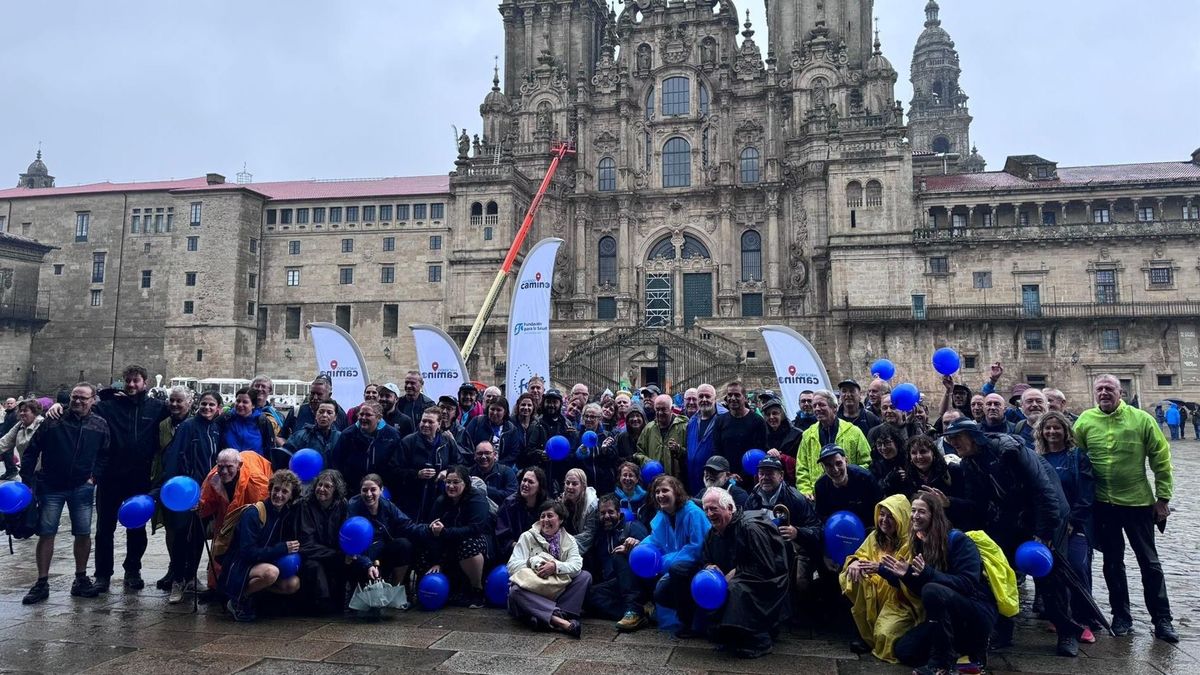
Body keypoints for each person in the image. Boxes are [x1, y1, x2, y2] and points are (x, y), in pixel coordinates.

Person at [942, 418, 1085, 656]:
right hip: (1011, 519)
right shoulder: (969, 463)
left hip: (1047, 515)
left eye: (958, 437)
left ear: (973, 435)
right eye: (950, 438)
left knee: (1051, 577)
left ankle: (1066, 632)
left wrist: (1044, 533)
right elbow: (978, 504)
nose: (953, 442)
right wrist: (950, 503)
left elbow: (1044, 490)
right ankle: (1003, 631)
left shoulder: (1010, 450)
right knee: (1001, 573)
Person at [1073, 374, 1176, 642]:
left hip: (1138, 503)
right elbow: (1078, 460)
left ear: (1121, 392)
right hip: (1103, 505)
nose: (1104, 393)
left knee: (1150, 563)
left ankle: (1162, 619)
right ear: (1094, 393)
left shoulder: (1141, 420)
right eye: (1100, 389)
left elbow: (1160, 458)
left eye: (1110, 388)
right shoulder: (1085, 422)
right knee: (1112, 563)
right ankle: (1121, 616)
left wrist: (1163, 498)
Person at [20, 383, 110, 604]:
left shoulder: (99, 424)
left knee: (82, 532)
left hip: (82, 486)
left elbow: (105, 454)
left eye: (83, 398)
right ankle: (42, 582)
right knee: (47, 532)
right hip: (51, 485)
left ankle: (80, 578)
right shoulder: (54, 420)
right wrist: (27, 480)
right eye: (74, 397)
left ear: (93, 400)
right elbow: (32, 451)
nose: (78, 401)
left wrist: (94, 477)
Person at [889, 492, 997, 674]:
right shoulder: (920, 542)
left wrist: (928, 573)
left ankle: (941, 662)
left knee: (932, 590)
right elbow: (923, 591)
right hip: (945, 616)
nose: (915, 516)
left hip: (976, 611)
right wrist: (907, 575)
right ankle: (958, 648)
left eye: (921, 512)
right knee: (904, 651)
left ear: (934, 514)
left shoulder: (960, 541)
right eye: (913, 511)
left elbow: (968, 584)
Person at [614, 475, 711, 638]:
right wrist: (635, 549)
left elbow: (696, 548)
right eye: (657, 492)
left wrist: (661, 562)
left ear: (676, 492)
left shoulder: (693, 513)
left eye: (665, 490)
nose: (660, 495)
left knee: (670, 578)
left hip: (692, 569)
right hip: (668, 568)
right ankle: (636, 609)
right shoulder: (662, 516)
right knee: (621, 557)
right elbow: (654, 540)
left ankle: (688, 623)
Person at [700, 487, 790, 659]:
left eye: (714, 509)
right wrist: (709, 566)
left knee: (735, 588)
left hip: (768, 581)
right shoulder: (712, 533)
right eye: (706, 510)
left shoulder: (750, 527)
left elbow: (767, 566)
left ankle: (760, 640)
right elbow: (705, 558)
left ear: (730, 508)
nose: (710, 514)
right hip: (736, 577)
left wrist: (736, 572)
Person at [1035, 410, 1096, 643]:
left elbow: (1086, 493)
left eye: (1056, 427)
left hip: (1074, 525)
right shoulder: (1037, 458)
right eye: (1047, 428)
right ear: (1041, 432)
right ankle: (1061, 617)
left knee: (1077, 568)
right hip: (1048, 526)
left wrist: (1073, 522)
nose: (1052, 432)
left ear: (1066, 430)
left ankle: (1084, 619)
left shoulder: (1077, 457)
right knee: (1052, 573)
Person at [160, 390, 224, 603]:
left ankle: (190, 577)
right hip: (187, 490)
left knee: (197, 536)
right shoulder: (188, 426)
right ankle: (177, 579)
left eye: (211, 405)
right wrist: (173, 487)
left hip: (208, 492)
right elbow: (174, 456)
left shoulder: (216, 428)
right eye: (204, 404)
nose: (207, 408)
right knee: (181, 534)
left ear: (218, 409)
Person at [840, 494, 919, 663]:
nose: (884, 520)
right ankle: (862, 634)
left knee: (885, 636)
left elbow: (909, 582)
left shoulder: (911, 544)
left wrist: (881, 569)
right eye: (882, 514)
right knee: (850, 575)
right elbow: (860, 554)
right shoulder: (875, 536)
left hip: (899, 601)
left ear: (902, 517)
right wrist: (854, 562)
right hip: (874, 594)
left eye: (891, 516)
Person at [220, 470, 303, 621]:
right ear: (270, 489)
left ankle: (255, 596)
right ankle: (237, 600)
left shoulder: (286, 514)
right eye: (276, 489)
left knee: (293, 584)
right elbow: (247, 553)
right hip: (240, 565)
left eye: (285, 491)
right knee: (271, 573)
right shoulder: (254, 513)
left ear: (291, 496)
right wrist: (282, 548)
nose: (279, 495)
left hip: (264, 561)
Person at [506, 500, 591, 638]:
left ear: (561, 519)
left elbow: (576, 566)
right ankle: (561, 621)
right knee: (515, 592)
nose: (545, 520)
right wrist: (533, 563)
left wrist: (555, 566)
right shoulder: (527, 537)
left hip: (556, 589)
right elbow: (512, 566)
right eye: (542, 516)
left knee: (584, 576)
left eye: (550, 516)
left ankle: (543, 617)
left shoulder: (569, 540)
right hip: (533, 589)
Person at [744, 456, 823, 600]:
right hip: (765, 549)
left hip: (796, 550)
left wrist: (797, 532)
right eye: (762, 473)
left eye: (770, 473)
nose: (765, 478)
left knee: (801, 584)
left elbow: (817, 529)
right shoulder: (752, 498)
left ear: (781, 476)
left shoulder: (795, 498)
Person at [347, 474, 426, 611]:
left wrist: (429, 529)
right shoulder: (353, 508)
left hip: (382, 552)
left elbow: (407, 525)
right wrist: (367, 564)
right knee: (366, 602)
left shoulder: (387, 505)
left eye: (373, 490)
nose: (369, 494)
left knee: (404, 545)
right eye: (364, 490)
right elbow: (351, 544)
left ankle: (395, 591)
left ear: (381, 490)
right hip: (360, 555)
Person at [199, 448, 273, 590]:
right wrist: (199, 508)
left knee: (246, 542)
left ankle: (243, 583)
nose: (224, 471)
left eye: (229, 467)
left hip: (251, 507)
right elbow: (206, 502)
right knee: (220, 542)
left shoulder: (256, 481)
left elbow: (264, 508)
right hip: (226, 509)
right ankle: (216, 586)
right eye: (221, 467)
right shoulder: (213, 477)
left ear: (239, 466)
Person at [425, 465, 492, 607]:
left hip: (479, 541)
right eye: (448, 482)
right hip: (449, 542)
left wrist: (445, 532)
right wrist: (436, 561)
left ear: (465, 483)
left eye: (456, 482)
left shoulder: (477, 499)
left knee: (468, 546)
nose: (451, 486)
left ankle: (477, 590)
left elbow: (475, 529)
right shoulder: (441, 501)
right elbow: (432, 530)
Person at [584, 493, 650, 628]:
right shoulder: (600, 536)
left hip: (635, 582)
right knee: (587, 596)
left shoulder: (632, 527)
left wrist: (636, 546)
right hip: (613, 585)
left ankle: (634, 609)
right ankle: (638, 612)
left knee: (619, 554)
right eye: (602, 513)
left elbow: (650, 553)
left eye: (610, 512)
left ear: (619, 512)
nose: (606, 516)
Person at [294, 469, 350, 614]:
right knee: (315, 566)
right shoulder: (305, 504)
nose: (321, 489)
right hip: (311, 554)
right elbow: (306, 542)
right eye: (319, 485)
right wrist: (335, 554)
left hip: (333, 552)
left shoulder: (342, 505)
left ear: (335, 489)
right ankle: (323, 604)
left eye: (327, 486)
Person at [796, 390, 871, 496]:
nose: (817, 408)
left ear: (834, 408)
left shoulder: (853, 432)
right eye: (815, 405)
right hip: (818, 495)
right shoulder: (807, 435)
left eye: (821, 405)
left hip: (850, 492)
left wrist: (850, 479)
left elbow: (867, 462)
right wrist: (805, 490)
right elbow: (802, 467)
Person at [392, 408, 461, 523]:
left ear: (439, 424)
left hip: (440, 497)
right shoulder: (408, 442)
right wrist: (417, 474)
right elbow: (394, 469)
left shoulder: (447, 442)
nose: (426, 425)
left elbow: (458, 465)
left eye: (430, 422)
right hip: (413, 499)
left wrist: (447, 472)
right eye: (423, 421)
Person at [901, 435, 977, 531]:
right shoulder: (908, 478)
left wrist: (948, 502)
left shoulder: (952, 471)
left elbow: (973, 506)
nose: (919, 457)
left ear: (933, 453)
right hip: (926, 532)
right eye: (914, 453)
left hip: (953, 530)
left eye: (923, 451)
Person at [329, 401, 402, 495]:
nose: (363, 418)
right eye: (361, 414)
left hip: (381, 490)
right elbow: (337, 462)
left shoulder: (392, 435)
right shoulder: (348, 434)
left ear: (379, 417)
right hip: (352, 489)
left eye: (368, 415)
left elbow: (396, 464)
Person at [814, 444, 882, 528]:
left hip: (867, 527)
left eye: (838, 463)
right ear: (823, 467)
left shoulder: (865, 478)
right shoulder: (821, 486)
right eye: (829, 465)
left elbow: (879, 509)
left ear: (846, 461)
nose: (835, 470)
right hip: (837, 529)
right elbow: (821, 517)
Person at [712, 381, 768, 477]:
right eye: (730, 395)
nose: (733, 398)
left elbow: (761, 450)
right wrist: (726, 474)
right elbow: (717, 451)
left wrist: (743, 475)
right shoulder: (720, 421)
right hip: (726, 476)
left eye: (737, 395)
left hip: (751, 477)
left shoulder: (757, 421)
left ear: (745, 398)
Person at [496, 466, 550, 560]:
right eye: (524, 480)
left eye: (530, 482)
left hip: (542, 553)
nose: (525, 484)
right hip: (515, 553)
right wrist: (520, 547)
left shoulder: (548, 507)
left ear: (539, 487)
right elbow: (502, 536)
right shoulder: (509, 504)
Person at [636, 394, 688, 480]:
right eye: (657, 409)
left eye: (663, 409)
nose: (660, 413)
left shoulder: (683, 427)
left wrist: (678, 450)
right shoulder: (649, 428)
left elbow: (691, 454)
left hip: (677, 481)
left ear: (671, 409)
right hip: (654, 480)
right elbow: (639, 453)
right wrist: (648, 462)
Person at [221, 387, 280, 463]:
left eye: (245, 402)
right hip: (229, 469)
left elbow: (269, 450)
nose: (240, 404)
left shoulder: (263, 422)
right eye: (238, 401)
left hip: (255, 469)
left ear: (253, 405)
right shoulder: (226, 419)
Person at [283, 376, 347, 438]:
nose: (315, 398)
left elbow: (345, 439)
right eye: (312, 393)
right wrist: (289, 448)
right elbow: (281, 437)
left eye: (319, 394)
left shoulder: (340, 414)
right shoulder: (296, 412)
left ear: (329, 395)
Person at [685, 384, 720, 494]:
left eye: (708, 396)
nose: (704, 400)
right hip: (692, 480)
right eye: (701, 396)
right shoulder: (692, 421)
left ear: (715, 399)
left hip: (714, 481)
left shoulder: (723, 420)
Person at [285, 400, 342, 464]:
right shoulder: (300, 436)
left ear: (335, 417)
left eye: (329, 413)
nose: (324, 415)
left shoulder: (340, 438)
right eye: (321, 412)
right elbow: (286, 457)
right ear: (315, 415)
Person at [762, 394, 801, 484]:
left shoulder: (797, 434)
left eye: (775, 413)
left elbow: (801, 462)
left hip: (790, 482)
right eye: (768, 414)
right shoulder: (762, 434)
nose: (771, 417)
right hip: (768, 480)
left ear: (782, 414)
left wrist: (782, 457)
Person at [0, 398, 42, 481]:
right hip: (26, 473)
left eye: (25, 411)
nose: (22, 413)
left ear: (34, 412)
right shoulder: (20, 425)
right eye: (20, 411)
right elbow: (4, 442)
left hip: (41, 476)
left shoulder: (43, 425)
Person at [560, 468, 598, 555]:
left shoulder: (592, 506)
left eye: (574, 484)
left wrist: (564, 546)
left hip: (588, 549)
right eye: (567, 483)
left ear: (583, 487)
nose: (570, 487)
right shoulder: (561, 500)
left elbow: (588, 535)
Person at [469, 440, 518, 505]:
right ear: (475, 456)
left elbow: (512, 496)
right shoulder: (469, 473)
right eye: (480, 453)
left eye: (487, 453)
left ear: (494, 455)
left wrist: (485, 489)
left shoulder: (506, 472)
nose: (483, 457)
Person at [509, 392, 549, 471]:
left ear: (533, 407)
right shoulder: (510, 423)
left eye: (529, 405)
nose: (526, 407)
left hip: (532, 468)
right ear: (518, 406)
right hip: (513, 467)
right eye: (523, 404)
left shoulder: (538, 425)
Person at [867, 425, 908, 496]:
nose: (883, 448)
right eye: (879, 444)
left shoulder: (908, 458)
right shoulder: (876, 464)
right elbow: (873, 489)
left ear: (896, 442)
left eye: (887, 442)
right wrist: (888, 481)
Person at [614, 460, 649, 524]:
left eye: (631, 475)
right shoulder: (614, 497)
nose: (627, 478)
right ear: (620, 478)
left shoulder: (645, 498)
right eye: (624, 475)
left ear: (637, 479)